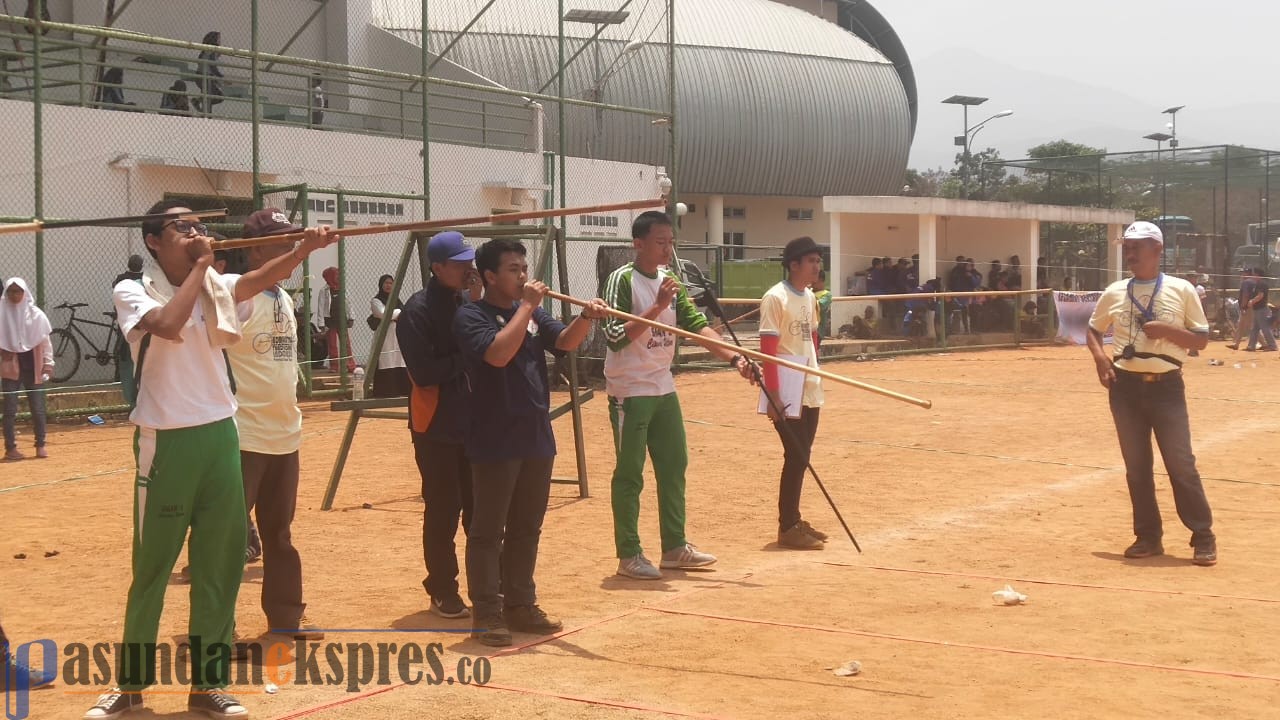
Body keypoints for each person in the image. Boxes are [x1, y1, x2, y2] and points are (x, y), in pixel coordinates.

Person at [83, 200, 338, 719]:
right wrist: (202, 266)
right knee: (152, 567)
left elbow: (259, 277)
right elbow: (169, 325)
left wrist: (303, 249)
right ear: (154, 240)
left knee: (219, 567)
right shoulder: (134, 289)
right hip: (166, 441)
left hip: (222, 435)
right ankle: (131, 687)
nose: (198, 232)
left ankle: (208, 684)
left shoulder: (217, 286)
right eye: (184, 226)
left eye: (202, 225)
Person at [453, 238, 606, 646]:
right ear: (489, 277)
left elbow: (566, 342)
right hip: (493, 435)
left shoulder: (535, 313)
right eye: (513, 269)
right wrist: (525, 307)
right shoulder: (472, 315)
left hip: (535, 433)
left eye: (524, 268)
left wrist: (586, 318)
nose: (523, 275)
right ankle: (487, 612)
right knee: (487, 530)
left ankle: (521, 603)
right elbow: (498, 355)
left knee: (527, 526)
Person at [601, 211, 753, 580]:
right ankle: (629, 554)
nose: (668, 248)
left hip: (663, 387)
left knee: (673, 467)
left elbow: (697, 326)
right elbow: (614, 336)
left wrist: (735, 358)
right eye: (660, 241)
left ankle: (674, 547)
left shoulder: (671, 280)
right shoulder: (621, 280)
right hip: (630, 390)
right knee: (630, 474)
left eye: (671, 241)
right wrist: (656, 306)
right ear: (638, 244)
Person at [1085, 221, 1216, 568]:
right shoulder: (1114, 291)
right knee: (1136, 467)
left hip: (1167, 388)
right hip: (1124, 388)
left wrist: (1167, 331)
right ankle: (1148, 537)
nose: (1130, 253)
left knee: (1181, 464)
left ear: (1157, 250)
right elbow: (1094, 330)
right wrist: (1101, 360)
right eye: (1126, 247)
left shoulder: (1182, 289)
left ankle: (1202, 536)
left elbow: (1201, 340)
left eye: (1137, 246)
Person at [224, 209, 327, 647]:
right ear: (254, 249)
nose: (290, 248)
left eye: (292, 240)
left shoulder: (282, 299)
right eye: (282, 241)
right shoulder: (237, 295)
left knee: (279, 533)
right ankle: (216, 627)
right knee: (226, 537)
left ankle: (286, 617)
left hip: (284, 434)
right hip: (243, 435)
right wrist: (305, 248)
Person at [398, 231, 483, 619]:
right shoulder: (416, 312)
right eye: (460, 263)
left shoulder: (466, 301)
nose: (469, 268)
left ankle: (486, 587)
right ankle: (443, 588)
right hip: (434, 425)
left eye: (470, 260)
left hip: (473, 422)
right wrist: (469, 354)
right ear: (438, 267)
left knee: (479, 510)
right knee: (443, 509)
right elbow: (424, 372)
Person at [759, 237, 827, 550]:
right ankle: (787, 526)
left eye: (818, 260)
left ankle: (794, 519)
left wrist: (816, 367)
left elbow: (811, 338)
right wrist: (773, 395)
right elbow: (768, 350)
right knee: (796, 455)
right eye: (810, 260)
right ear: (793, 264)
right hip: (786, 387)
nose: (817, 266)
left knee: (802, 456)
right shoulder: (775, 298)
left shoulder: (810, 297)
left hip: (809, 385)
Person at [1, 278, 53, 461]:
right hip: (10, 368)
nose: (14, 295)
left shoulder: (36, 315)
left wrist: (48, 363)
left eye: (18, 291)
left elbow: (45, 342)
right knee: (9, 409)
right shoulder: (1, 313)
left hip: (33, 367)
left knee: (38, 409)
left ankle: (40, 445)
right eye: (11, 291)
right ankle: (10, 448)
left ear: (25, 292)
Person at [370, 274, 410, 398]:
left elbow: (404, 313)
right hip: (385, 335)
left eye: (390, 283)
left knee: (399, 359)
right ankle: (386, 392)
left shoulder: (397, 300)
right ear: (381, 285)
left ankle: (402, 390)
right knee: (386, 360)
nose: (388, 285)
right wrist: (398, 313)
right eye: (386, 283)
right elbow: (383, 313)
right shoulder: (376, 300)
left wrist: (395, 314)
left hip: (397, 335)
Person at [113, 256, 145, 406]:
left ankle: (119, 378)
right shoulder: (145, 279)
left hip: (127, 321)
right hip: (139, 320)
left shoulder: (121, 279)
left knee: (123, 352)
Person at [317, 266, 356, 373]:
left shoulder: (343, 289)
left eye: (339, 275)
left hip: (342, 320)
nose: (338, 277)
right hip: (330, 321)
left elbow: (349, 304)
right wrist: (321, 323)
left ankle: (350, 365)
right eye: (336, 275)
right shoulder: (324, 291)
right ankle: (334, 366)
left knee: (346, 344)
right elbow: (320, 307)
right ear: (330, 277)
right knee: (332, 344)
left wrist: (351, 317)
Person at [1244, 267, 1277, 352]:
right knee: (1255, 328)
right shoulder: (1258, 283)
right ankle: (1251, 346)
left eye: (1254, 274)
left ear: (1258, 275)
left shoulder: (1262, 284)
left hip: (1261, 309)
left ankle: (1272, 345)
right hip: (1257, 309)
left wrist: (1252, 301)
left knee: (1265, 327)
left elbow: (1260, 296)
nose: (1253, 276)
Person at [194, 31, 225, 115]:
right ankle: (206, 112)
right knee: (217, 95)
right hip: (204, 75)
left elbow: (200, 60)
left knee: (210, 95)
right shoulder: (213, 50)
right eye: (219, 39)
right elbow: (212, 64)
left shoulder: (204, 50)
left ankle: (199, 103)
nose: (220, 41)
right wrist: (219, 75)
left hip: (200, 75)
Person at [1227, 267, 1256, 351]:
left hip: (1247, 307)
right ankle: (1236, 344)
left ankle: (1264, 343)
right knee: (1241, 325)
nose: (1242, 274)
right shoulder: (1253, 281)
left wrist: (1243, 307)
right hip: (1251, 306)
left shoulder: (1246, 282)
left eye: (1243, 273)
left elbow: (1245, 295)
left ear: (1248, 273)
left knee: (1251, 326)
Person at [813, 270, 832, 343]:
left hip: (818, 330)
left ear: (820, 280)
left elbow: (820, 305)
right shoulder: (808, 291)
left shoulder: (826, 295)